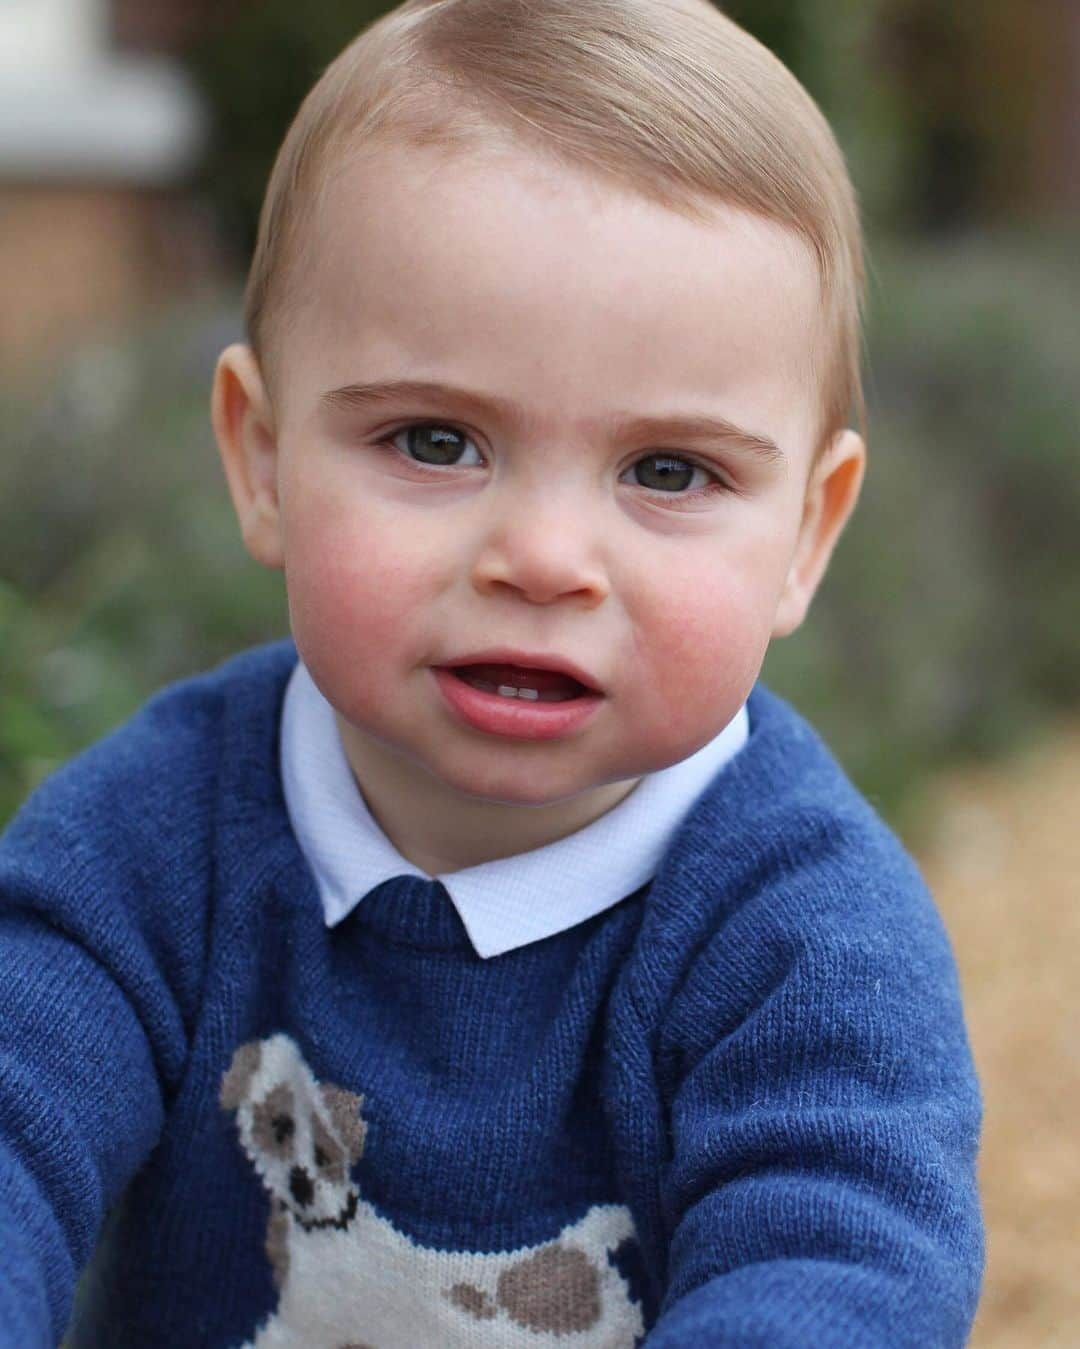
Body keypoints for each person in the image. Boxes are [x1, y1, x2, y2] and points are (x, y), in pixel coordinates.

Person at [0, 0, 984, 1344]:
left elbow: (843, 1265)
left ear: (806, 539)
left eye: (669, 472)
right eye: (434, 441)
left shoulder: (806, 939)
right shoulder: (147, 848)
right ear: (262, 458)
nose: (542, 558)